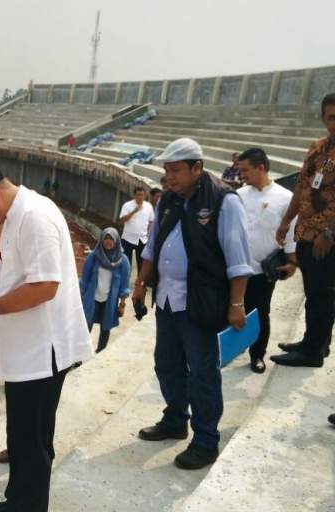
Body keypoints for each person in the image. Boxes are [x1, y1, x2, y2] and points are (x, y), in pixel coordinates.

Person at [0, 162, 93, 512]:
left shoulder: (34, 218)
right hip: (28, 351)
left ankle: (25, 506)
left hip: (41, 353)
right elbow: (13, 274)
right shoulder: (15, 216)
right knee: (27, 437)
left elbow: (44, 286)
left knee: (30, 440)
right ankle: (20, 500)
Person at [132, 137, 252, 470]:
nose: (169, 177)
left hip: (201, 301)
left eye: (176, 170)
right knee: (166, 363)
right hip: (168, 299)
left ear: (197, 168)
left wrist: (237, 303)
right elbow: (152, 247)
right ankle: (174, 419)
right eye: (166, 170)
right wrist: (141, 284)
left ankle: (205, 440)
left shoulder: (224, 200)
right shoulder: (168, 199)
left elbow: (238, 259)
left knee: (202, 372)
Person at [272, 93, 335, 369]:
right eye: (332, 117)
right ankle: (317, 342)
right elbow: (301, 186)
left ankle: (312, 352)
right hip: (306, 234)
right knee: (314, 292)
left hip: (327, 239)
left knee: (322, 295)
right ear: (323, 118)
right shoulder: (317, 148)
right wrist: (287, 221)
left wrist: (330, 232)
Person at [236, 148, 298, 374]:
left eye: (245, 170)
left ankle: (257, 354)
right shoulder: (239, 195)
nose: (242, 175)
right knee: (232, 309)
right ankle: (232, 348)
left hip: (263, 270)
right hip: (237, 267)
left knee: (259, 312)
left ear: (260, 167)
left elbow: (291, 233)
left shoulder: (285, 198)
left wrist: (292, 263)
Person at [79, 227, 131, 353]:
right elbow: (84, 279)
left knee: (105, 326)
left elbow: (124, 285)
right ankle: (81, 353)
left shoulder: (123, 261)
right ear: (101, 240)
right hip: (92, 297)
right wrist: (80, 297)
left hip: (110, 300)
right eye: (106, 238)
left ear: (116, 241)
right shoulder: (93, 256)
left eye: (111, 239)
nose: (108, 241)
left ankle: (100, 351)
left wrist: (122, 305)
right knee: (86, 324)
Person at [118, 186, 154, 271]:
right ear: (134, 195)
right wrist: (134, 211)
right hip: (128, 239)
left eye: (142, 195)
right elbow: (121, 220)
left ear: (145, 195)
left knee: (141, 264)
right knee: (125, 263)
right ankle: (125, 282)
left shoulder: (148, 206)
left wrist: (148, 233)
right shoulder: (127, 205)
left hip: (142, 240)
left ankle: (139, 282)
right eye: (138, 195)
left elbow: (151, 221)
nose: (140, 197)